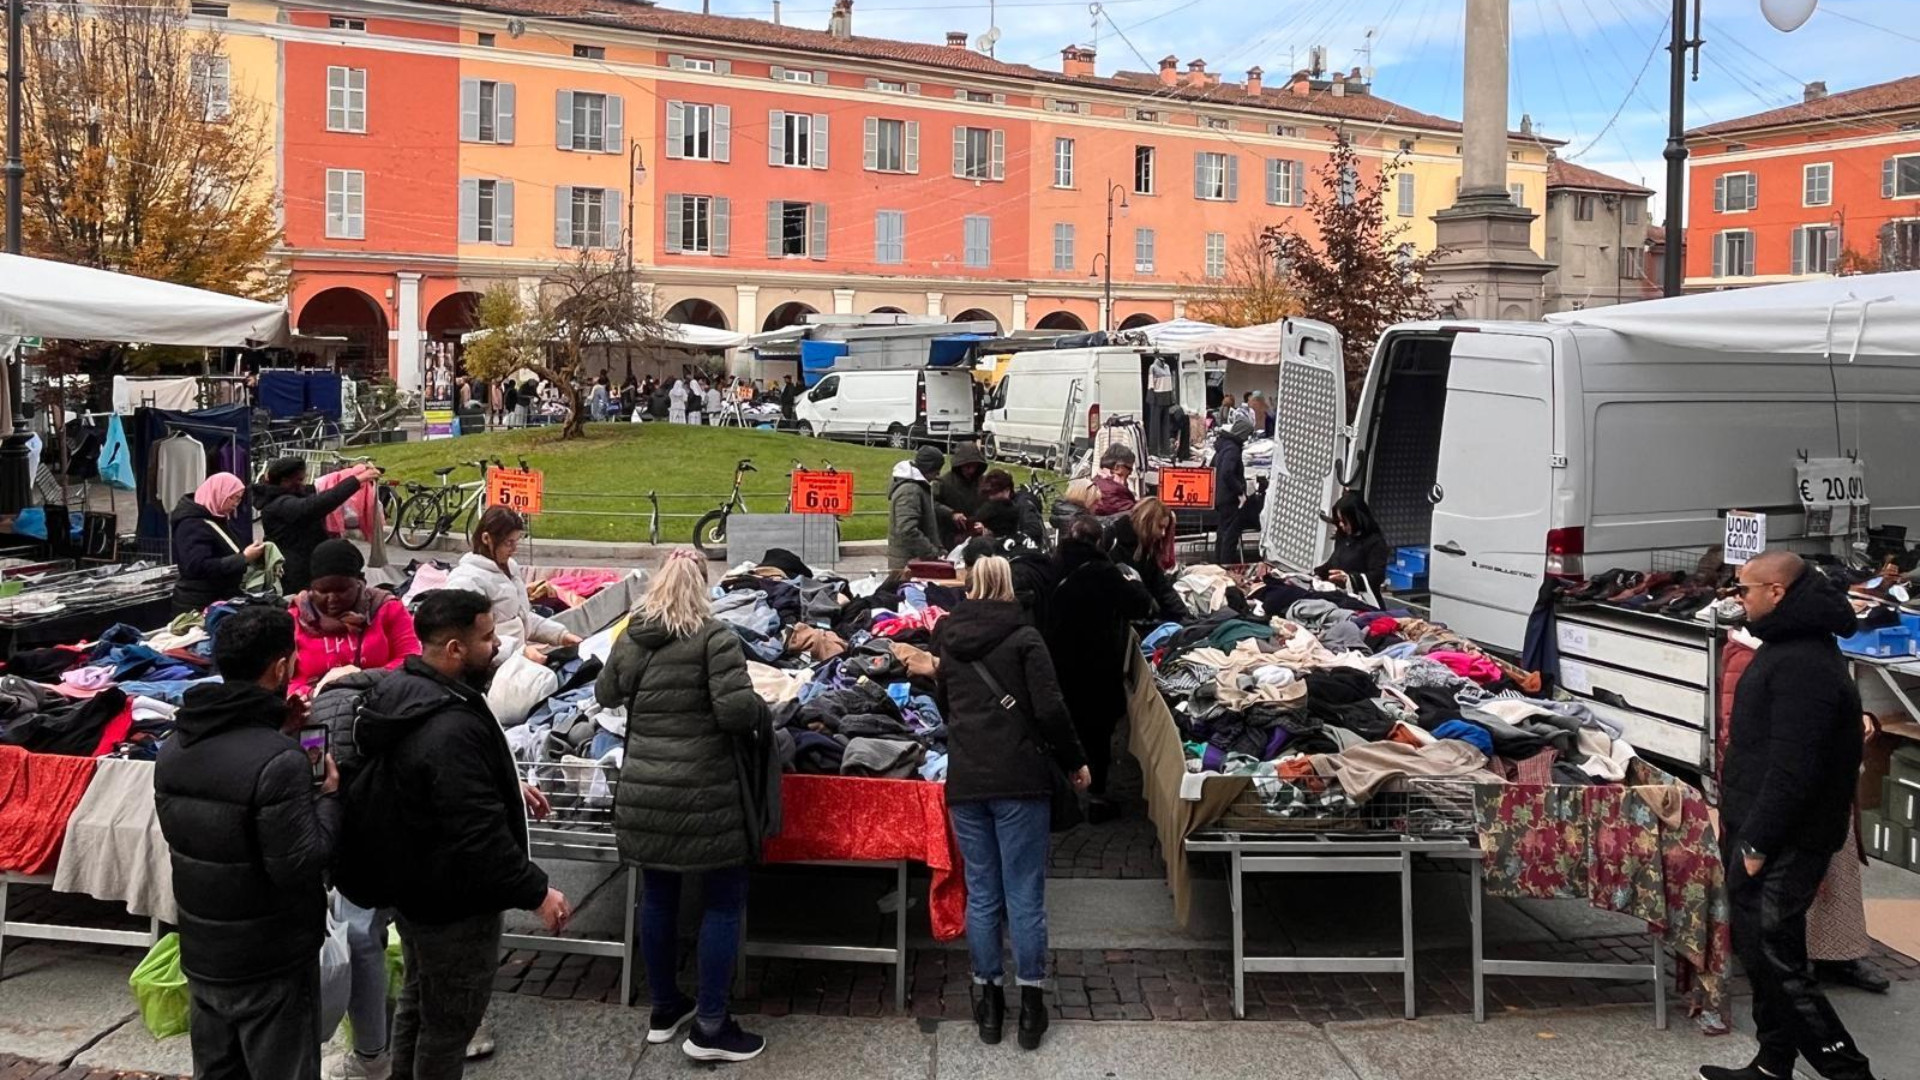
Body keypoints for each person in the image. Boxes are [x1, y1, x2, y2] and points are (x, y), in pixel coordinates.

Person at [337, 590, 569, 1080]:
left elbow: (434, 781)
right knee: (449, 1026)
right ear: (455, 649)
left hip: (417, 889)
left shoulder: (407, 693)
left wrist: (506, 781)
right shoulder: (450, 726)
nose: (497, 647)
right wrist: (537, 892)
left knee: (419, 1006)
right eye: (486, 638)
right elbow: (476, 832)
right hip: (455, 901)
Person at [1704, 551, 1879, 1080]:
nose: (1740, 598)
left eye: (1746, 590)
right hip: (1762, 824)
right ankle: (1773, 1063)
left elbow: (1793, 767)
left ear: (1777, 592)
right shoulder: (1789, 645)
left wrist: (1756, 843)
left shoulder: (1803, 661)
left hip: (1787, 837)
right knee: (1762, 952)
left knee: (1776, 955)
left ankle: (1848, 1070)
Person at [596, 550, 771, 1063]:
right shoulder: (715, 637)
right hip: (705, 794)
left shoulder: (632, 634)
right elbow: (736, 712)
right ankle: (711, 1026)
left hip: (645, 791)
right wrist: (761, 704)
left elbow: (606, 692)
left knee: (658, 896)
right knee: (722, 899)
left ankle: (664, 1006)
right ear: (702, 588)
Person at [155, 606, 340, 1080]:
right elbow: (301, 862)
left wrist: (278, 732)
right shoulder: (278, 761)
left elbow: (222, 819)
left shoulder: (175, 745)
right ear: (280, 667)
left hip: (204, 952)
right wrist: (329, 797)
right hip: (270, 958)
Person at [934, 556, 1090, 1051]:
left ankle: (989, 1001)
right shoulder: (1025, 638)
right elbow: (1050, 708)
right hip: (1020, 778)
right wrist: (1075, 761)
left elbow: (944, 702)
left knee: (982, 894)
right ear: (1009, 587)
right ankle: (1031, 1004)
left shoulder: (947, 638)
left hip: (968, 777)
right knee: (1025, 895)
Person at [1044, 516, 1152, 821]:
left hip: (1056, 660)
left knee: (1062, 728)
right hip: (1096, 665)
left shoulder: (1052, 565)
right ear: (1099, 541)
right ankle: (1096, 796)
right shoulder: (1104, 572)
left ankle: (1061, 793)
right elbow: (1139, 605)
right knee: (1097, 733)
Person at [443, 507, 583, 666]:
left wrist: (561, 635)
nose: (514, 549)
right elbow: (467, 641)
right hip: (490, 671)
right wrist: (519, 652)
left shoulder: (510, 567)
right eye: (509, 543)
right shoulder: (466, 581)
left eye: (516, 541)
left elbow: (523, 617)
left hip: (514, 664)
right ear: (486, 538)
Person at [289, 539, 420, 697]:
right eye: (322, 591)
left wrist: (362, 681)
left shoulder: (386, 608)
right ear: (311, 588)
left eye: (342, 590)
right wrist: (310, 694)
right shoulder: (295, 618)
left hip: (381, 698)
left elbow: (409, 659)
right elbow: (284, 678)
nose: (332, 598)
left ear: (359, 583)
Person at [254, 458, 380, 594]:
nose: (303, 484)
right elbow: (318, 504)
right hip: (293, 575)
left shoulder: (291, 495)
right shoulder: (279, 505)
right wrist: (357, 480)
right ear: (285, 481)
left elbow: (325, 486)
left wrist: (353, 472)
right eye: (299, 480)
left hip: (305, 567)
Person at [170, 472, 267, 613]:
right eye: (232, 498)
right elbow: (196, 566)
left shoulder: (217, 518)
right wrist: (243, 558)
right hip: (198, 604)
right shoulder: (192, 524)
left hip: (216, 600)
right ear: (218, 493)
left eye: (239, 499)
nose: (235, 504)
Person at [1105, 497, 1187, 622]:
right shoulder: (1113, 539)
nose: (1163, 533)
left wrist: (1184, 616)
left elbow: (1161, 586)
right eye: (1160, 527)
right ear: (1148, 522)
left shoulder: (1146, 549)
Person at [1315, 490, 1391, 596]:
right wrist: (1317, 575)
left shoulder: (1375, 542)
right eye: (1339, 521)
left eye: (1344, 521)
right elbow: (1333, 562)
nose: (1341, 525)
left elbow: (1377, 576)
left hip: (1360, 597)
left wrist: (1349, 579)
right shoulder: (1343, 537)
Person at [888, 446, 945, 569]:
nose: (938, 474)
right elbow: (907, 529)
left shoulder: (914, 487)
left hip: (911, 561)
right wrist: (932, 552)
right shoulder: (910, 490)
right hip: (909, 564)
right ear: (929, 468)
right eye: (936, 470)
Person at [1212, 418, 1253, 564]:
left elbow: (1216, 468)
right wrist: (1240, 490)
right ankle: (1226, 563)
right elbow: (1227, 473)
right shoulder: (1233, 449)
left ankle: (1219, 562)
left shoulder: (1223, 446)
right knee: (1229, 534)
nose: (1248, 438)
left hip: (1220, 496)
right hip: (1229, 497)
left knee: (1222, 532)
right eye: (1247, 434)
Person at [935, 443, 990, 548]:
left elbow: (990, 505)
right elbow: (932, 504)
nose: (971, 470)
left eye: (974, 466)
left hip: (977, 536)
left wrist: (984, 525)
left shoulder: (983, 482)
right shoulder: (944, 482)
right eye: (967, 466)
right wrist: (951, 514)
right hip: (950, 537)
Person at [1089, 444, 1138, 517]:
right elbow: (1135, 513)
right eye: (1129, 468)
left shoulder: (1097, 480)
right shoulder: (1114, 490)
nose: (1131, 472)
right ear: (1117, 467)